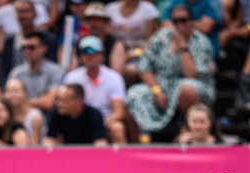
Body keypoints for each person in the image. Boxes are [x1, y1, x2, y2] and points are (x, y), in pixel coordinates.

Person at [126, 4, 215, 138]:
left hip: (196, 88)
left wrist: (183, 48)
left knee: (186, 88)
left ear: (191, 22)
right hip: (161, 86)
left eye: (183, 20)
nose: (179, 25)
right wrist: (156, 90)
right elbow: (144, 67)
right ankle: (136, 142)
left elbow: (192, 75)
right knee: (134, 94)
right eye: (175, 21)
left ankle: (188, 132)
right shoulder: (160, 38)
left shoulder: (201, 42)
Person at [63, 36, 127, 144]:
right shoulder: (71, 78)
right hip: (78, 120)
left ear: (102, 55)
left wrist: (98, 123)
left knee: (118, 128)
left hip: (106, 120)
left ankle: (123, 160)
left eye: (94, 52)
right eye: (85, 53)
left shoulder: (114, 78)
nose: (90, 56)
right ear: (81, 57)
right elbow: (66, 107)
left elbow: (119, 112)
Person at [8, 31, 65, 112]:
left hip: (46, 120)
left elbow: (48, 102)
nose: (27, 51)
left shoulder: (56, 71)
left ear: (44, 48)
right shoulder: (16, 72)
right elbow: (8, 100)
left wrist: (20, 101)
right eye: (24, 47)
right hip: (21, 119)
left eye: (31, 47)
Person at [106, 0, 159, 85]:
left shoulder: (148, 9)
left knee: (131, 70)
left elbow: (151, 40)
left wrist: (132, 54)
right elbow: (108, 36)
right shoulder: (110, 9)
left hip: (140, 53)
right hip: (116, 51)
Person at [5, 77, 46, 144]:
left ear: (25, 93)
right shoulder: (6, 114)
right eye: (9, 91)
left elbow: (35, 146)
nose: (12, 95)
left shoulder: (35, 116)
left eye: (16, 91)